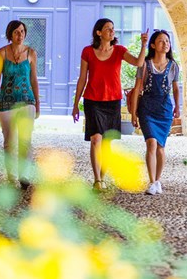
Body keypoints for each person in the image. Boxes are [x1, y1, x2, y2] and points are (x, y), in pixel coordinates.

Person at [72, 18, 148, 191]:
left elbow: (138, 63)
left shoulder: (119, 51)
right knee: (95, 139)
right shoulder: (88, 52)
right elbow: (82, 78)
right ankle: (97, 179)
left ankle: (103, 178)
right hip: (92, 100)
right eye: (108, 29)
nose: (112, 31)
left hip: (112, 101)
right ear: (99, 33)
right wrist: (76, 104)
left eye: (113, 29)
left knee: (106, 143)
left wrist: (144, 45)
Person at [129, 30, 181, 196]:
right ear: (153, 45)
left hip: (164, 109)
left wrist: (177, 107)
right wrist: (133, 112)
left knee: (161, 146)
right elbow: (137, 88)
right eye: (161, 41)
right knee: (151, 142)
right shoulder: (144, 64)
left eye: (167, 41)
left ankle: (158, 180)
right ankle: (152, 182)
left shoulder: (173, 66)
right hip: (147, 108)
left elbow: (175, 88)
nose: (165, 44)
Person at [0, 19, 40, 189]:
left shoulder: (31, 53)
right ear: (10, 35)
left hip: (27, 100)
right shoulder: (2, 53)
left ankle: (24, 175)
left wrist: (37, 102)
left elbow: (34, 79)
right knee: (9, 141)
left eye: (22, 32)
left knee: (25, 140)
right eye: (16, 32)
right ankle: (11, 176)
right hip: (6, 101)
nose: (20, 35)